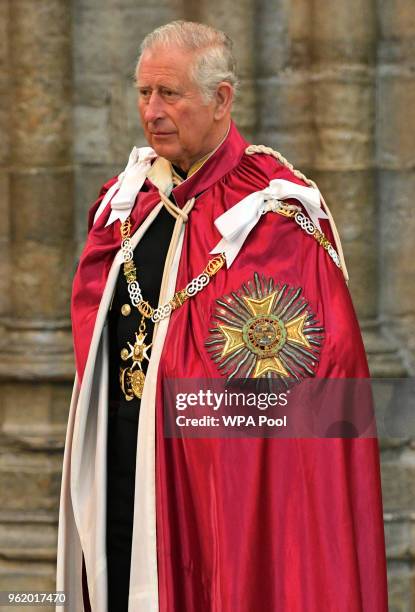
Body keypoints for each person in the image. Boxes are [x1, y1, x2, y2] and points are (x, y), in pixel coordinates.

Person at [56, 20, 388, 612]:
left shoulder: (277, 218)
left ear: (221, 100)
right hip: (124, 473)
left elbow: (318, 407)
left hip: (224, 499)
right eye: (143, 93)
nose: (152, 111)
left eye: (170, 94)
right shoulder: (126, 206)